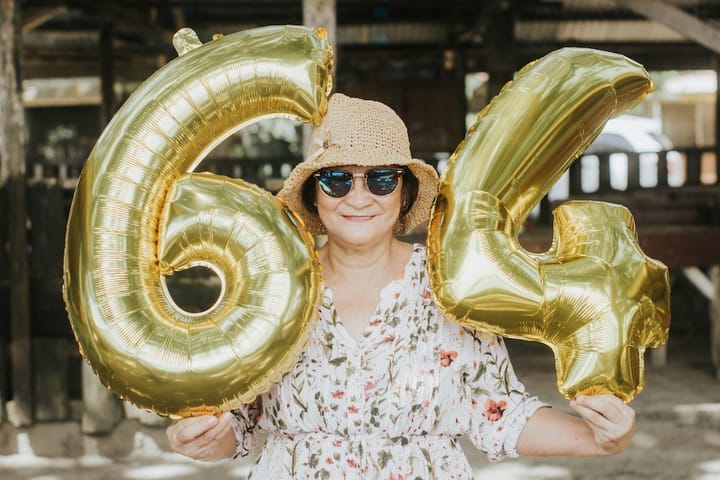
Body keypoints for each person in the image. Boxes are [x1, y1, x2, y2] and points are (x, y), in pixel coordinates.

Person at [166, 93, 635, 478]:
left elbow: (497, 412)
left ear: (405, 191)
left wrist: (602, 438)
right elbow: (237, 427)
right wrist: (199, 440)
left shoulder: (448, 286)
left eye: (381, 179)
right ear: (313, 193)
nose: (359, 198)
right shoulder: (272, 288)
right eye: (336, 180)